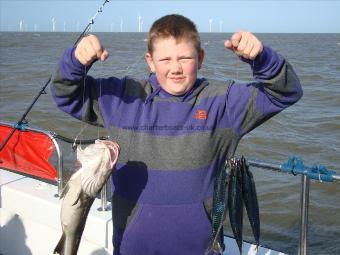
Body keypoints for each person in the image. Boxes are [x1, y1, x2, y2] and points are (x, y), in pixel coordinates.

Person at [51, 14, 302, 255]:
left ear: (201, 58)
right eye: (165, 59)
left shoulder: (224, 103)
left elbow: (285, 92)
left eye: (185, 58)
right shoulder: (123, 96)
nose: (176, 68)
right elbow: (65, 95)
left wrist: (261, 59)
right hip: (132, 249)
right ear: (150, 61)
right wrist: (76, 61)